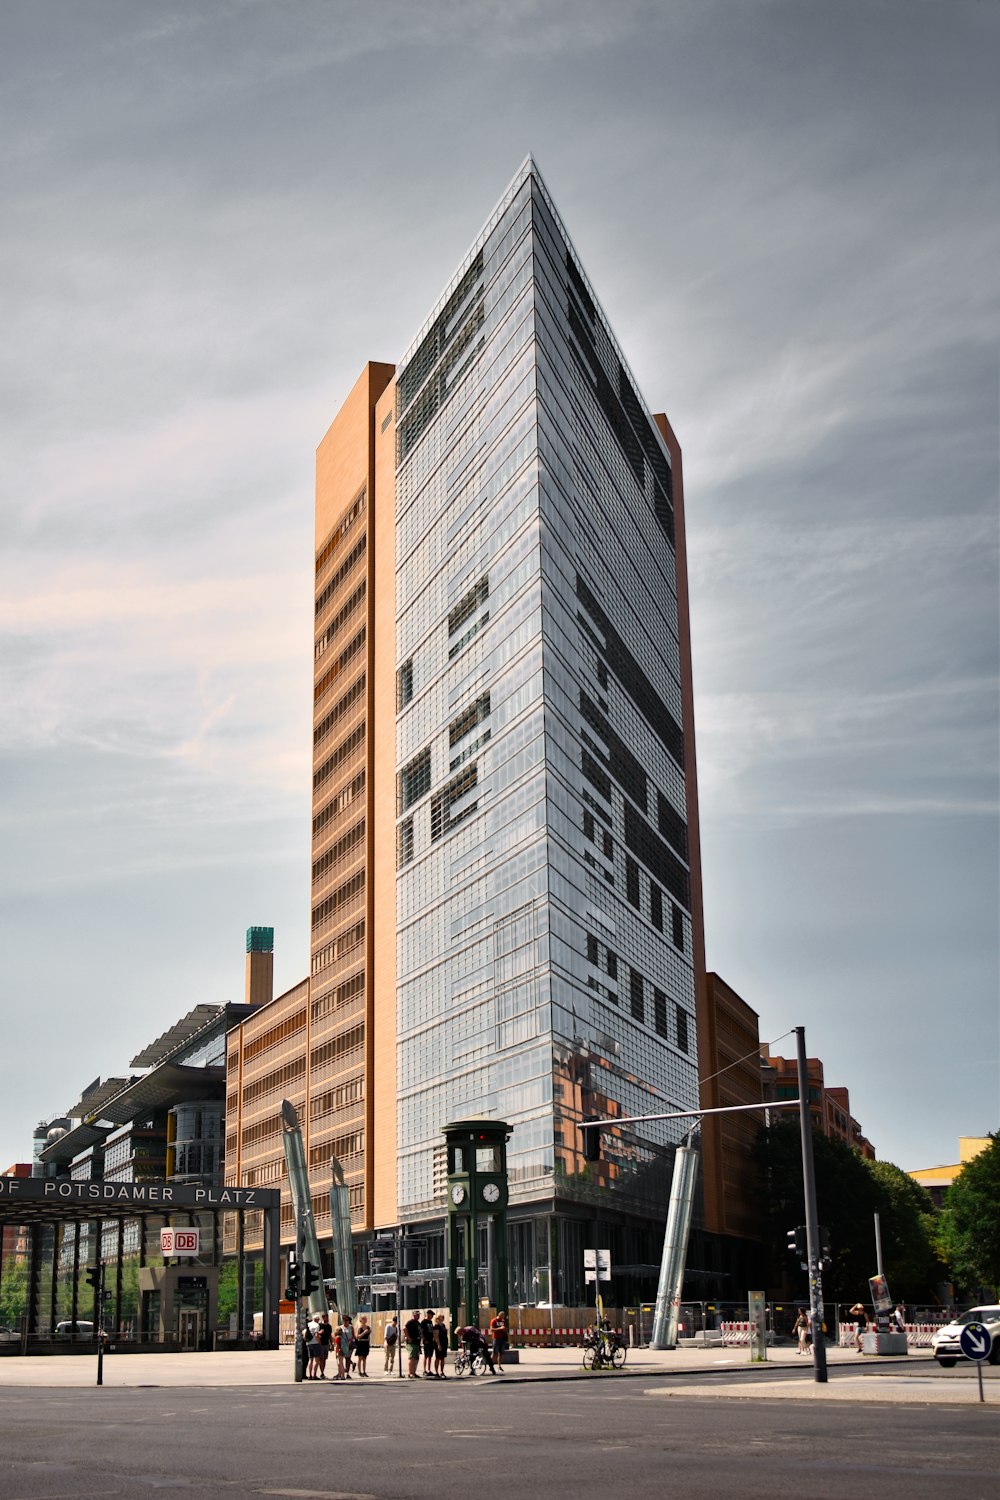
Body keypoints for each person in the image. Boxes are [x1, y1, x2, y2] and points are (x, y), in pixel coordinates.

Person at [404, 1310, 422, 1378]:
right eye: (416, 1315)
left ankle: (414, 1372)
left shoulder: (418, 1323)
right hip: (411, 1343)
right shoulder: (410, 1322)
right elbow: (404, 1328)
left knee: (416, 1358)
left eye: (418, 1315)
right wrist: (408, 1337)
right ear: (413, 1315)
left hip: (417, 1343)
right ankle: (410, 1372)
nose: (418, 1316)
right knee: (412, 1358)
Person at [420, 1308, 436, 1377]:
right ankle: (424, 1370)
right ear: (428, 1315)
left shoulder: (431, 1322)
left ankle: (429, 1369)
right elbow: (421, 1331)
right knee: (426, 1356)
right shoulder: (424, 1322)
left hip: (431, 1340)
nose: (432, 1316)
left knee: (430, 1356)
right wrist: (424, 1339)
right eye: (431, 1315)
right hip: (426, 1340)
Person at [433, 1312, 449, 1378]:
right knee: (438, 1357)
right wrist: (439, 1345)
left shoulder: (443, 1325)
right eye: (441, 1317)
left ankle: (442, 1371)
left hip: (444, 1343)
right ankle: (436, 1372)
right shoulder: (436, 1326)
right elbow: (436, 1336)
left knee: (442, 1358)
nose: (442, 1318)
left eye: (443, 1317)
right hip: (439, 1343)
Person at [316, 1313, 332, 1379]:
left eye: (328, 1317)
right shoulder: (319, 1325)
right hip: (320, 1344)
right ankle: (322, 1373)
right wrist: (320, 1333)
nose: (327, 1319)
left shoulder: (329, 1326)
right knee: (321, 1359)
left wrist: (331, 1344)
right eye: (326, 1317)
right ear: (323, 1318)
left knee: (324, 1359)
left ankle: (322, 1372)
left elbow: (330, 1335)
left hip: (326, 1344)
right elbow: (316, 1334)